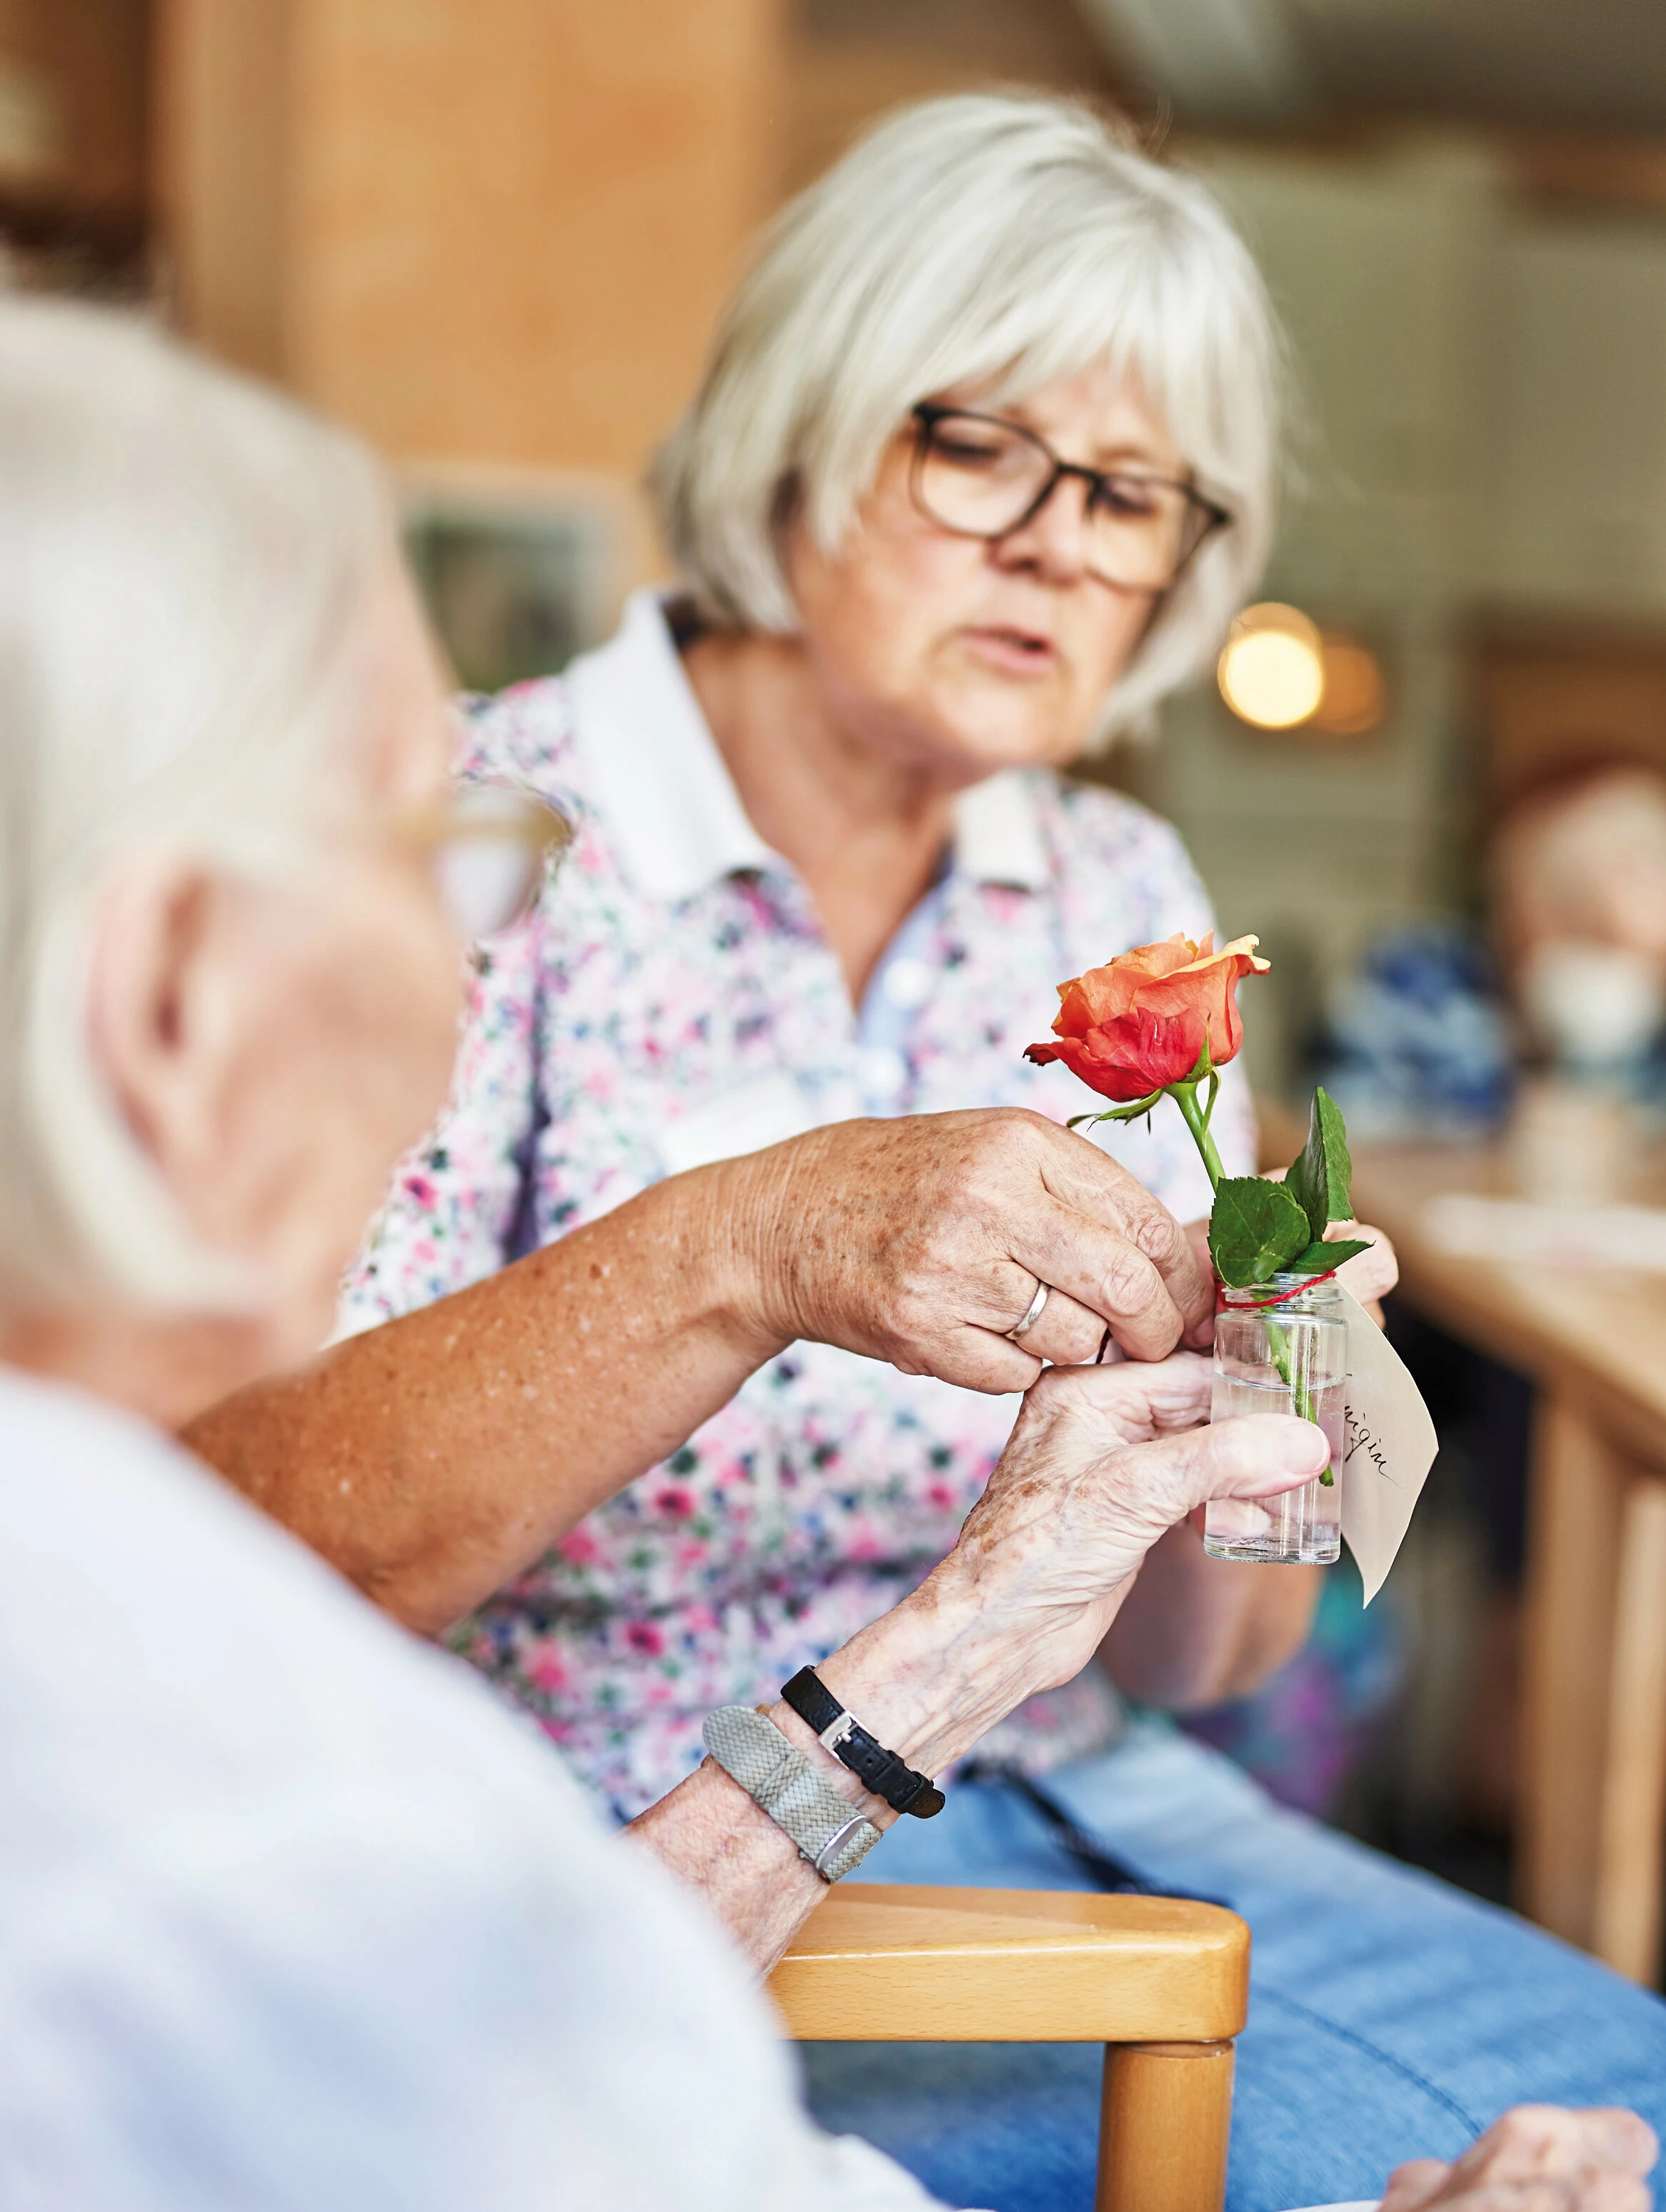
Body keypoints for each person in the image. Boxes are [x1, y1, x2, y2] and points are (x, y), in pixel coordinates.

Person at [182, 91, 1666, 2212]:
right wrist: (755, 1238)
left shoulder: (1115, 878)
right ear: (800, 435)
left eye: (1135, 492)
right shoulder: (473, 836)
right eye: (978, 445)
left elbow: (1194, 1666)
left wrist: (1275, 1424)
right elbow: (254, 1545)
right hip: (636, 1861)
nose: (1061, 540)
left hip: (1089, 1803)